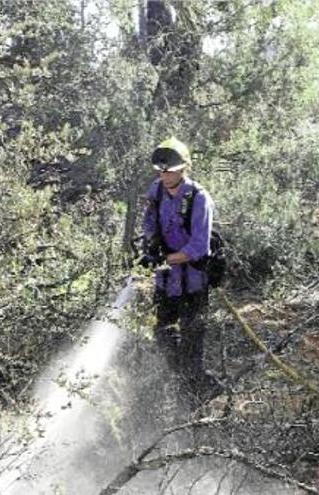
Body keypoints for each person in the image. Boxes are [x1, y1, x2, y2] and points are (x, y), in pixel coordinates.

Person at [140, 136, 219, 399]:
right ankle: (185, 382)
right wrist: (150, 247)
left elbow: (199, 246)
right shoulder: (156, 190)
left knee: (191, 344)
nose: (164, 175)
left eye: (169, 170)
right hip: (166, 282)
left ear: (183, 168)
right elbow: (149, 222)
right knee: (162, 335)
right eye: (160, 170)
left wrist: (167, 259)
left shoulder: (198, 198)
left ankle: (198, 396)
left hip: (193, 283)